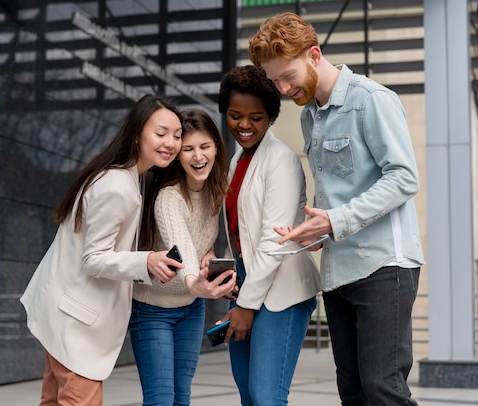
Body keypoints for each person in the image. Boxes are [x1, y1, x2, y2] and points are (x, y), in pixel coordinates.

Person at [248, 12, 425, 406]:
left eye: (287, 76)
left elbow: (404, 179)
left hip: (384, 266)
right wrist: (317, 230)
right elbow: (340, 191)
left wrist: (335, 220)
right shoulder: (310, 116)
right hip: (338, 270)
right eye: (275, 81)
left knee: (384, 389)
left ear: (314, 54)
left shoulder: (371, 100)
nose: (282, 88)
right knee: (354, 393)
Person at [20, 95, 187, 406]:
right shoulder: (117, 187)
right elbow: (94, 259)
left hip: (64, 314)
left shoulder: (119, 176)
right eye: (161, 133)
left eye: (177, 136)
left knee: (52, 401)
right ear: (137, 134)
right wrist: (146, 260)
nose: (171, 143)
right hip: (75, 324)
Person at [217, 64, 321, 405]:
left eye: (256, 117)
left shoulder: (281, 160)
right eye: (235, 115)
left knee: (266, 396)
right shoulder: (236, 162)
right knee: (249, 395)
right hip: (246, 282)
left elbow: (274, 241)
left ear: (271, 117)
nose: (244, 125)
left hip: (283, 289)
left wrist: (246, 305)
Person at [129, 108, 236, 406]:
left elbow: (206, 240)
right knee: (161, 399)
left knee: (181, 398)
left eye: (204, 147)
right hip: (152, 309)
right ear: (177, 154)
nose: (197, 157)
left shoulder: (217, 190)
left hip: (191, 309)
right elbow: (181, 245)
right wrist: (193, 279)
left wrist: (212, 255)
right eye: (187, 149)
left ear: (216, 146)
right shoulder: (169, 196)